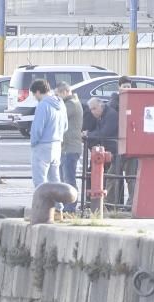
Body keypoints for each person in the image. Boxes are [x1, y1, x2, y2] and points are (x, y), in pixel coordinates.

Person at [29, 79, 67, 205]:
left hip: (43, 146)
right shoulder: (60, 103)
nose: (35, 97)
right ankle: (58, 209)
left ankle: (43, 209)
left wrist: (33, 142)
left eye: (35, 95)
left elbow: (37, 129)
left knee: (40, 181)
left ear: (38, 91)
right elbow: (66, 126)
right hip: (57, 145)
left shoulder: (43, 105)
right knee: (55, 180)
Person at [105, 76, 138, 207]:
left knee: (131, 177)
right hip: (118, 146)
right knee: (113, 175)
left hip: (131, 145)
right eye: (124, 87)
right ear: (119, 88)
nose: (127, 89)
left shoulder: (135, 101)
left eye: (129, 87)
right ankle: (110, 203)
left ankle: (131, 204)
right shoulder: (114, 103)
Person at [56, 82, 83, 214]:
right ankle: (67, 206)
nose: (57, 97)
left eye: (58, 94)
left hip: (70, 148)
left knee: (69, 179)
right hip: (67, 147)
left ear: (65, 92)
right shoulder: (71, 103)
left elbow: (58, 116)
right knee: (64, 179)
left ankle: (70, 207)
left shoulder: (71, 104)